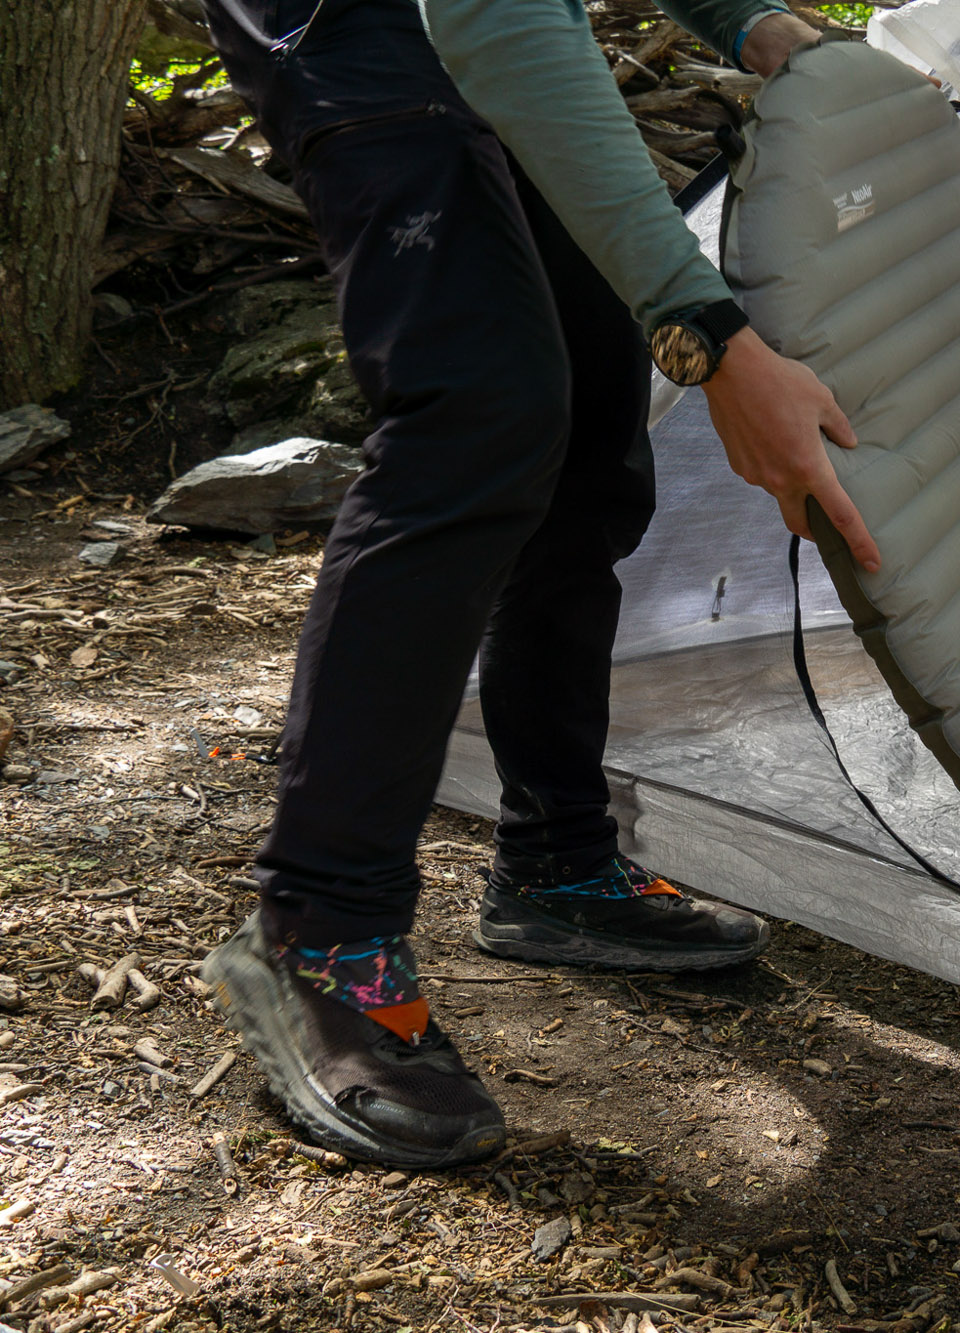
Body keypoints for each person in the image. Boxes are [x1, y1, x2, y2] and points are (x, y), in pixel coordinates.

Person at [197, 0, 883, 1168]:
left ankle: (556, 861)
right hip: (354, 30)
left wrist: (743, 18)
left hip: (480, 28)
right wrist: (709, 339)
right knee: (479, 415)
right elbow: (496, 15)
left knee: (589, 444)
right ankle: (322, 930)